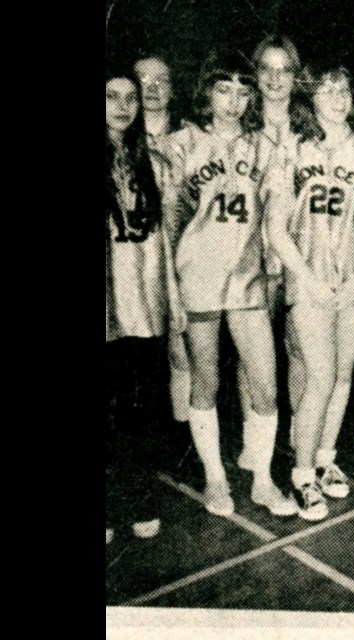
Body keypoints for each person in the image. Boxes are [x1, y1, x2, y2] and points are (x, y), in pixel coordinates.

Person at [166, 50, 295, 518]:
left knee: (265, 385)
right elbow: (171, 225)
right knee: (205, 381)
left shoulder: (265, 147)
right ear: (206, 93)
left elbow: (273, 220)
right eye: (224, 90)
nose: (234, 101)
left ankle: (262, 478)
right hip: (197, 278)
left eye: (243, 92)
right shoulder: (180, 144)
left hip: (247, 280)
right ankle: (215, 478)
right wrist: (172, 293)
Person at [266, 64, 354, 520]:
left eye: (345, 89)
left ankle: (324, 458)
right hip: (309, 278)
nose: (338, 97)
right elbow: (276, 229)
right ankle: (301, 475)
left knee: (340, 376)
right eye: (328, 89)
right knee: (318, 376)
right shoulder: (292, 150)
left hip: (353, 279)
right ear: (312, 99)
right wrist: (310, 278)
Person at [105, 68, 175, 542]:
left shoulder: (148, 158)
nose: (124, 105)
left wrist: (172, 295)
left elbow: (163, 233)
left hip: (146, 299)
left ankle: (139, 497)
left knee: (142, 407)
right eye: (111, 96)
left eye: (131, 97)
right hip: (109, 302)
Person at [236, 35, 303, 461]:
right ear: (256, 74)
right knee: (253, 356)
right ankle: (252, 440)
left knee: (298, 348)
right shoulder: (241, 128)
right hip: (251, 258)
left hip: (299, 258)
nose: (276, 79)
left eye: (285, 70)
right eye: (267, 69)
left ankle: (301, 432)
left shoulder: (310, 128)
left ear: (296, 77)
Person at [133, 55, 192, 439]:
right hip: (133, 261)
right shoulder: (118, 135)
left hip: (181, 259)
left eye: (161, 79)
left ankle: (183, 433)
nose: (152, 87)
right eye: (143, 80)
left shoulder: (190, 136)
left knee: (182, 350)